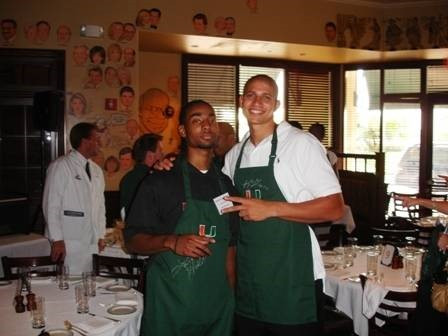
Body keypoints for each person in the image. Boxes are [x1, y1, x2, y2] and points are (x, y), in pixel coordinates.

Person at [222, 74, 344, 335]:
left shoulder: (300, 143)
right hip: (250, 280)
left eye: (266, 96)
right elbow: (222, 205)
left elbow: (334, 207)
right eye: (251, 95)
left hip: (293, 278)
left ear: (276, 105)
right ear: (241, 101)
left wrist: (272, 208)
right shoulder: (234, 154)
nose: (258, 102)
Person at [124, 100, 238, 335]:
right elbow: (132, 240)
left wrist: (232, 296)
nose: (206, 125)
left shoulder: (226, 185)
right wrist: (172, 242)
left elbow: (230, 249)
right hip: (171, 305)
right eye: (197, 120)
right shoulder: (160, 180)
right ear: (183, 131)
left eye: (211, 119)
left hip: (217, 308)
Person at [42, 122, 106, 275]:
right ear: (85, 141)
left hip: (91, 241)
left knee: (88, 283)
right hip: (68, 242)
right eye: (97, 139)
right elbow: (51, 205)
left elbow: (101, 206)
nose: (100, 143)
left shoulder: (97, 171)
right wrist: (57, 240)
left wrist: (101, 235)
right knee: (67, 284)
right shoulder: (61, 166)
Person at [119, 133, 163, 218]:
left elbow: (124, 214)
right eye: (160, 151)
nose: (163, 155)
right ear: (150, 156)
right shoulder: (155, 179)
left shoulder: (126, 179)